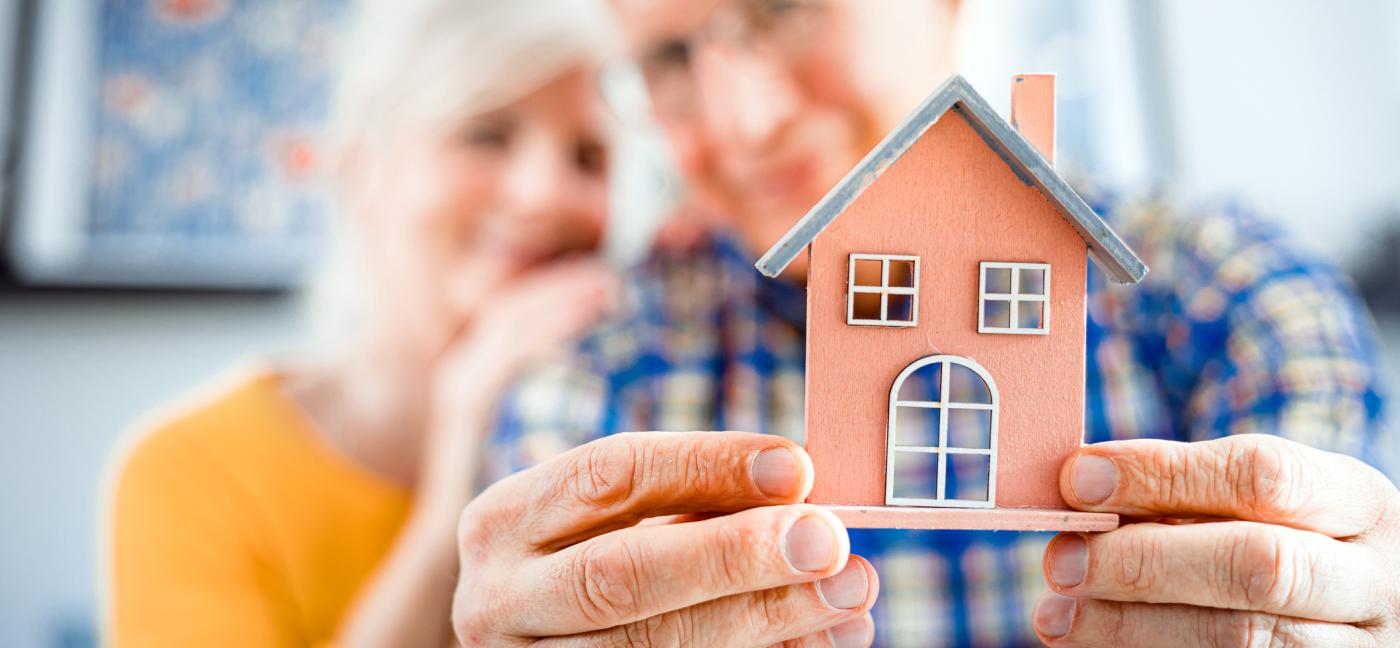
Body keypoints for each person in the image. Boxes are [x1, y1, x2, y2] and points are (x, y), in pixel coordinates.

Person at [450, 1, 1399, 646]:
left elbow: (1330, 584)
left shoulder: (1231, 295)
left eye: (784, 5)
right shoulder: (598, 369)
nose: (744, 121)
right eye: (666, 58)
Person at [105, 1, 621, 645]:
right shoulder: (187, 473)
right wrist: (449, 498)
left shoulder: (610, 456)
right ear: (358, 169)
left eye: (588, 156)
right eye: (487, 135)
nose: (547, 192)